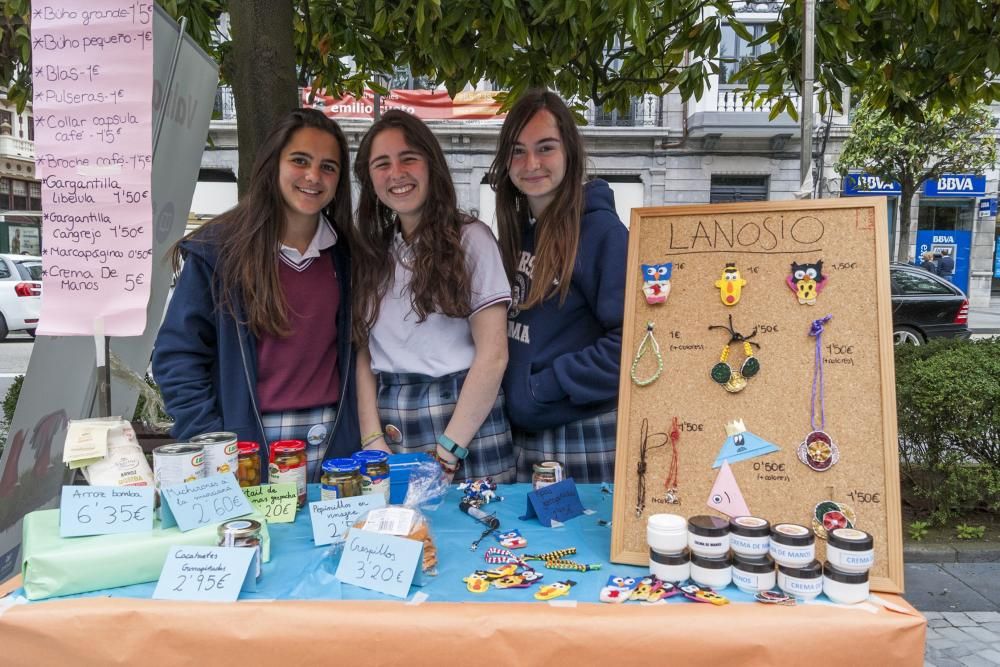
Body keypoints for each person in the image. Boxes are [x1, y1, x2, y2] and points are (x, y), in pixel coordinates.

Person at [152, 109, 359, 481]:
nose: (314, 176)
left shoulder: (348, 258)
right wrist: (211, 442)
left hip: (335, 444)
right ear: (272, 165)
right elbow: (176, 357)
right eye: (300, 160)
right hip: (246, 446)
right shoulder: (219, 251)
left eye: (329, 167)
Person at [351, 110, 514, 482]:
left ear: (431, 165)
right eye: (382, 163)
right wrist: (372, 436)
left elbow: (494, 354)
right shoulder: (371, 252)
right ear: (369, 177)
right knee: (400, 537)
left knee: (480, 534)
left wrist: (451, 447)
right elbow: (362, 351)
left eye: (408, 158)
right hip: (392, 422)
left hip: (466, 420)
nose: (397, 173)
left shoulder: (471, 239)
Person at [488, 90, 628, 483]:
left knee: (573, 547)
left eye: (544, 148)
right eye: (517, 151)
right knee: (527, 547)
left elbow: (634, 343)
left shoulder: (602, 232)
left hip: (580, 434)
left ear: (569, 151)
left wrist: (543, 387)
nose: (531, 163)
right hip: (525, 435)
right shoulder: (518, 233)